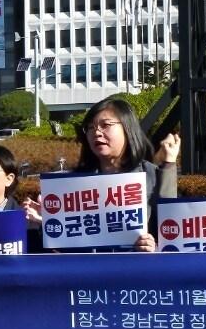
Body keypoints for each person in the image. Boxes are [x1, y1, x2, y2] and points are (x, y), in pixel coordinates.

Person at [69, 96, 179, 252]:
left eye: (105, 125)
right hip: (89, 272)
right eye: (90, 128)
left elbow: (170, 229)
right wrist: (45, 222)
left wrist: (154, 247)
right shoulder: (73, 182)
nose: (96, 133)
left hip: (137, 270)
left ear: (128, 129)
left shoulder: (152, 176)